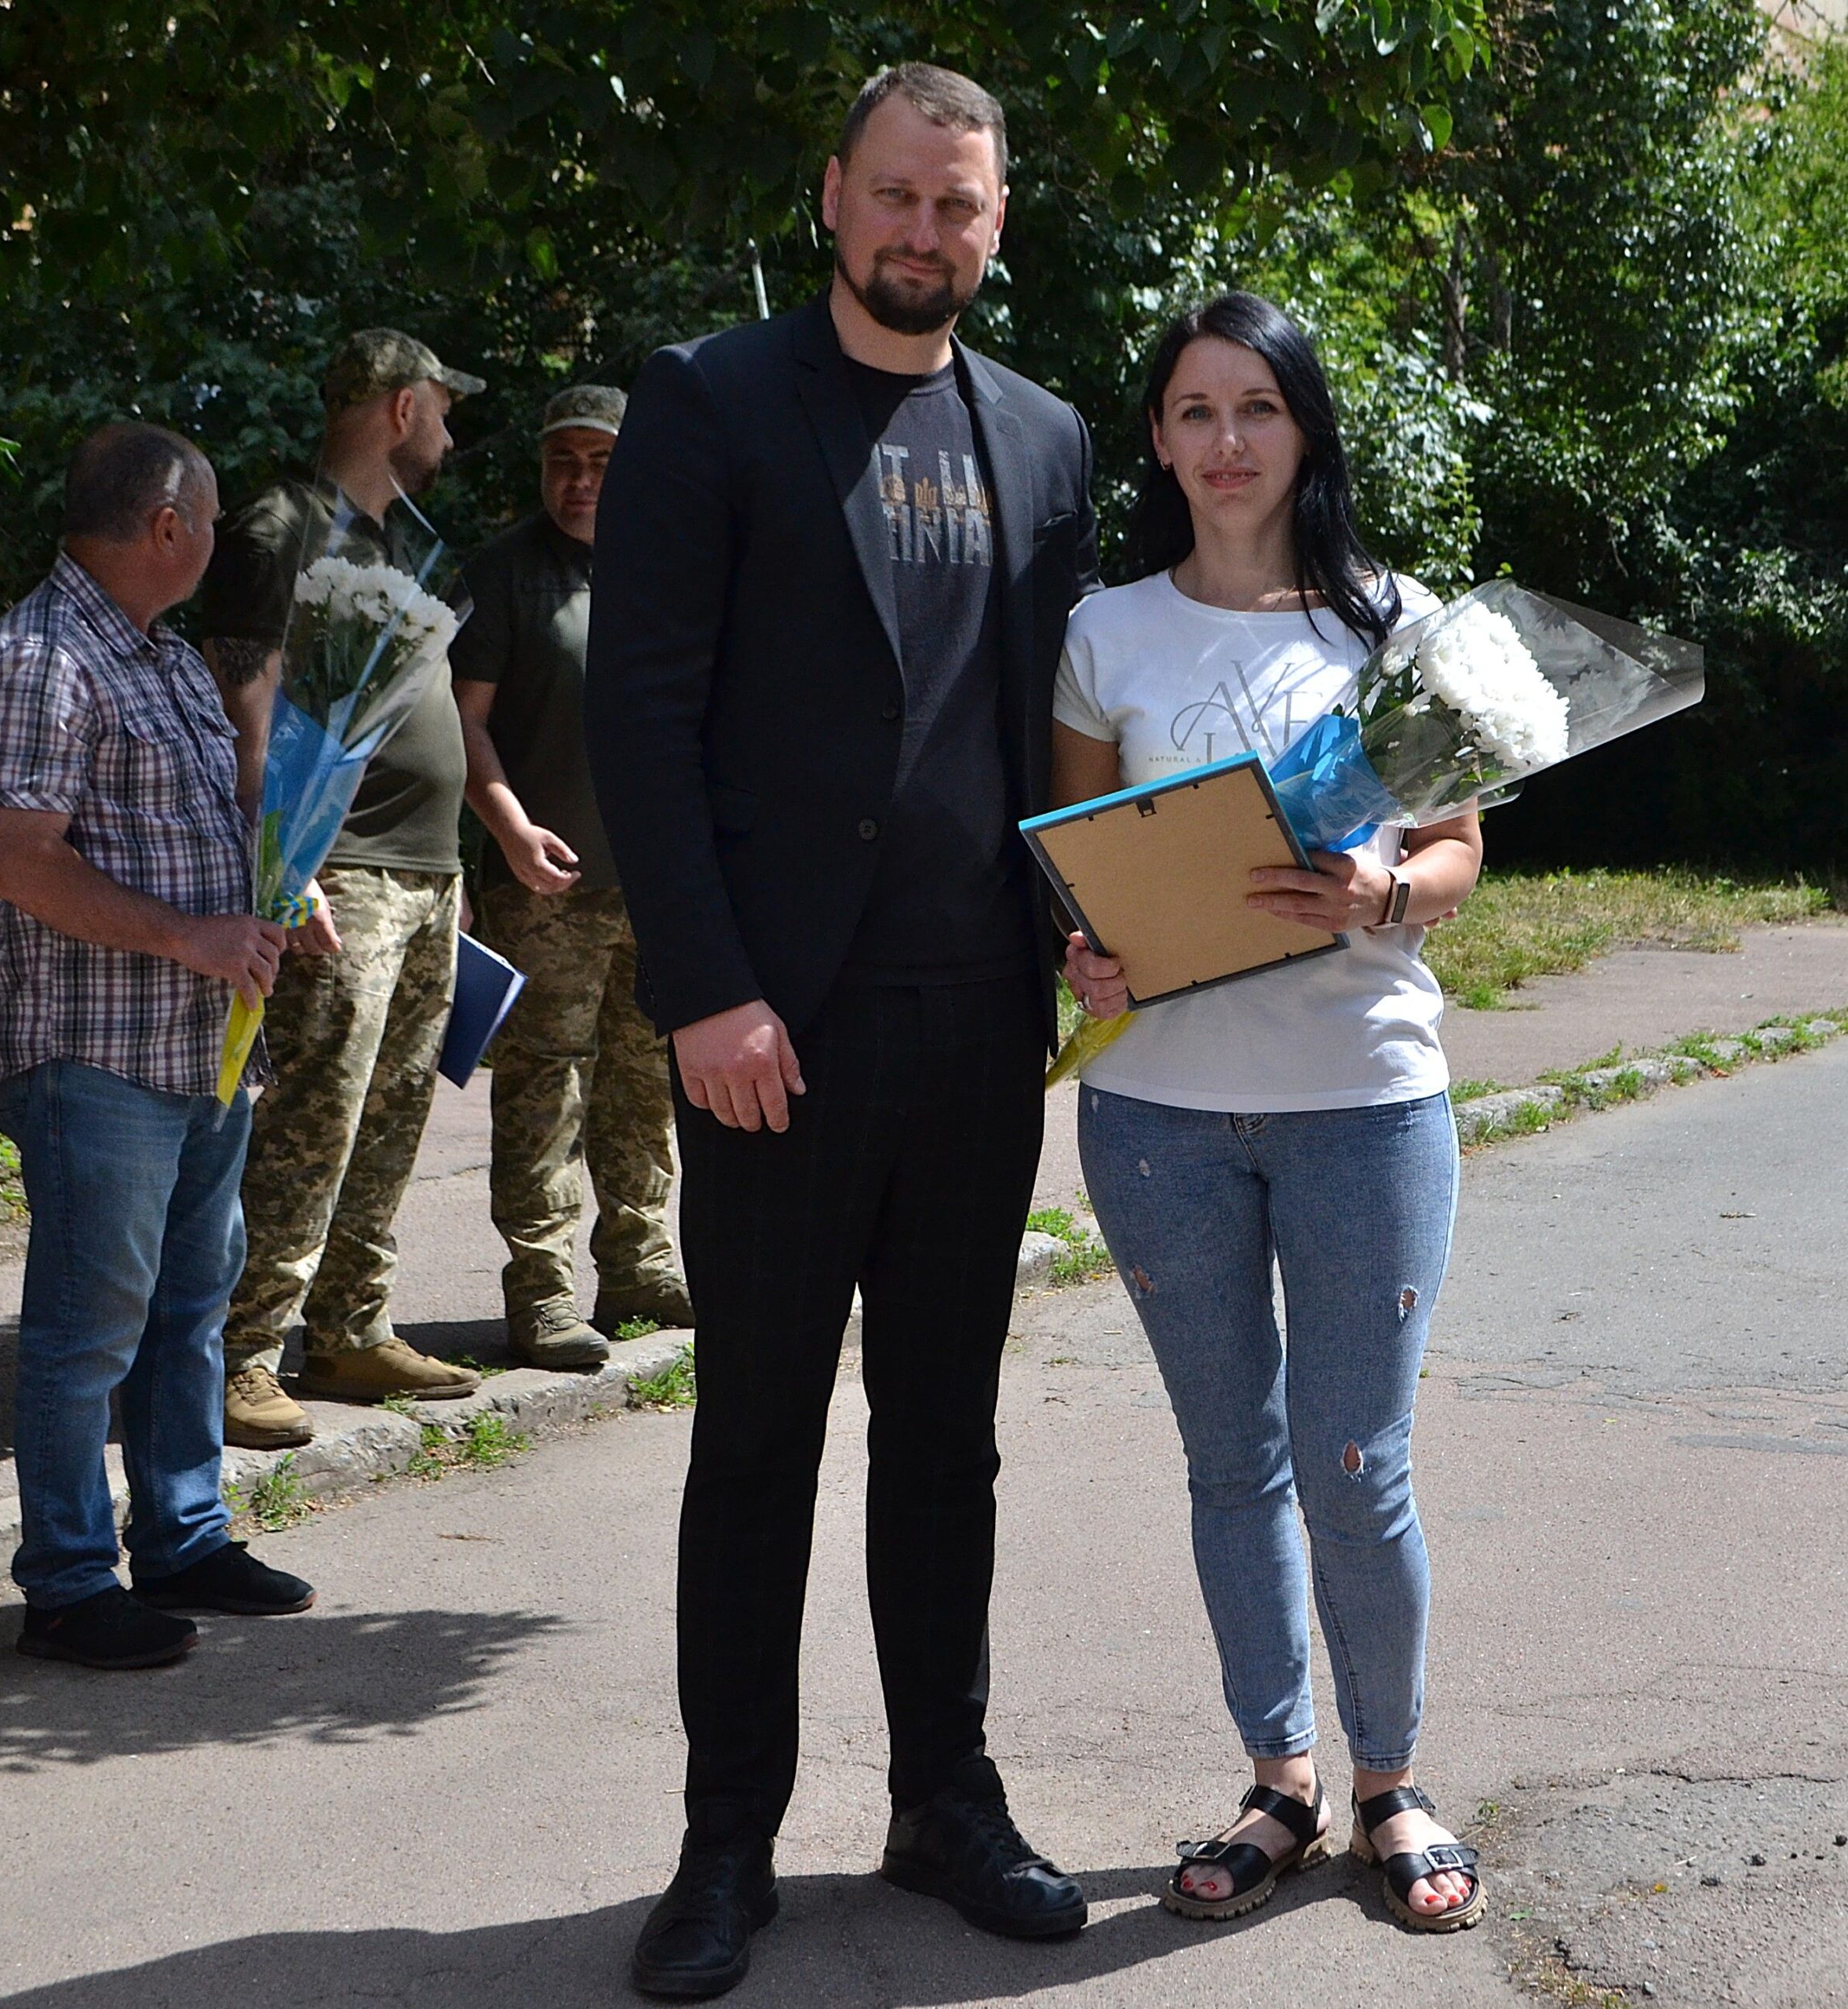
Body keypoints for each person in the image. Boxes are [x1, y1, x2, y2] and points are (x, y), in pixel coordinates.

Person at [588, 62, 1102, 2002]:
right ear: (831, 194)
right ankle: (725, 1839)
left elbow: (1053, 736)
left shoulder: (1040, 436)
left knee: (945, 1438)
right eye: (894, 194)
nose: (920, 231)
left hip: (977, 1024)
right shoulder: (711, 402)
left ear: (995, 223)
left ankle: (940, 1801)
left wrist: (1100, 917)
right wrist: (705, 986)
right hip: (773, 1036)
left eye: (954, 204)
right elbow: (642, 717)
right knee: (755, 1440)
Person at [1054, 293, 1489, 1934]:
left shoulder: (1395, 622)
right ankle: (1279, 1782)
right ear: (1158, 442)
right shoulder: (1103, 630)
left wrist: (1383, 889)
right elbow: (1075, 866)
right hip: (1154, 1111)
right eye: (1193, 410)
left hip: (1361, 1100)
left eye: (1256, 407)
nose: (1226, 439)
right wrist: (1083, 950)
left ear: (1302, 429)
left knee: (1354, 1461)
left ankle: (1391, 1782)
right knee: (1228, 1461)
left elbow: (1455, 849)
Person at [0, 423, 315, 1669]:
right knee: (90, 1327)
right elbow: (14, 861)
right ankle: (68, 1584)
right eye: (212, 522)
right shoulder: (40, 657)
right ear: (168, 526)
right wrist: (191, 936)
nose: (217, 543)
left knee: (190, 1307)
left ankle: (182, 1536)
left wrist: (277, 884)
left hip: (200, 1048)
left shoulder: (159, 656)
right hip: (96, 1057)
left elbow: (198, 822)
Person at [199, 330, 483, 1453]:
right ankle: (241, 1350)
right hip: (338, 867)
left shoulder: (399, 539)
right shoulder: (281, 526)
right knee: (313, 1115)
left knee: (397, 1104)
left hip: (425, 869)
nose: (450, 434)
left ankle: (351, 1328)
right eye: (444, 410)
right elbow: (242, 707)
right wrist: (288, 864)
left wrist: (453, 864)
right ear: (403, 408)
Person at [451, 385, 691, 1369]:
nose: (580, 480)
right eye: (563, 461)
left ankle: (639, 1263)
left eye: (600, 461)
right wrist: (508, 830)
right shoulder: (506, 572)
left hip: (655, 883)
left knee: (645, 1080)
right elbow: (461, 720)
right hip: (543, 888)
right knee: (544, 1088)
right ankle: (542, 1292)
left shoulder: (674, 565)